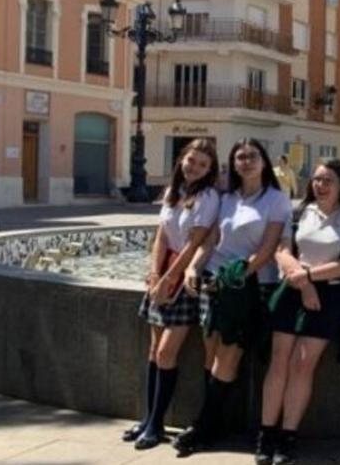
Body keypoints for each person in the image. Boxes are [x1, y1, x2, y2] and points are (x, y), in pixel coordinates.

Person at [174, 138, 291, 456]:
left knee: (228, 356)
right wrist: (193, 268)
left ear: (264, 162)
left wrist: (237, 275)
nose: (247, 162)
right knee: (211, 355)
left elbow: (268, 249)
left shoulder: (277, 200)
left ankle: (202, 426)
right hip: (214, 283)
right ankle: (214, 426)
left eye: (253, 156)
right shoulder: (226, 198)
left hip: (250, 286)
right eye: (240, 157)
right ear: (233, 163)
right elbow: (211, 241)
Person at [256, 158, 340, 464]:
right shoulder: (300, 211)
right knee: (279, 362)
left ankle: (287, 437)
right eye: (317, 179)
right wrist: (303, 283)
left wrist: (309, 279)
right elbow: (282, 251)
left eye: (328, 180)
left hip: (329, 295)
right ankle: (266, 434)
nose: (320, 185)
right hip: (294, 290)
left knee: (303, 365)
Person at [125, 138, 220, 450]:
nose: (195, 168)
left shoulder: (207, 197)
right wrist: (154, 273)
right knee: (154, 351)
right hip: (163, 272)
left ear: (210, 170)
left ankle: (156, 423)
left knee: (167, 352)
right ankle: (150, 418)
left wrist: (170, 277)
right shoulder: (172, 192)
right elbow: (161, 235)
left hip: (182, 279)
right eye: (191, 161)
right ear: (182, 160)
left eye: (203, 164)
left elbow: (195, 243)